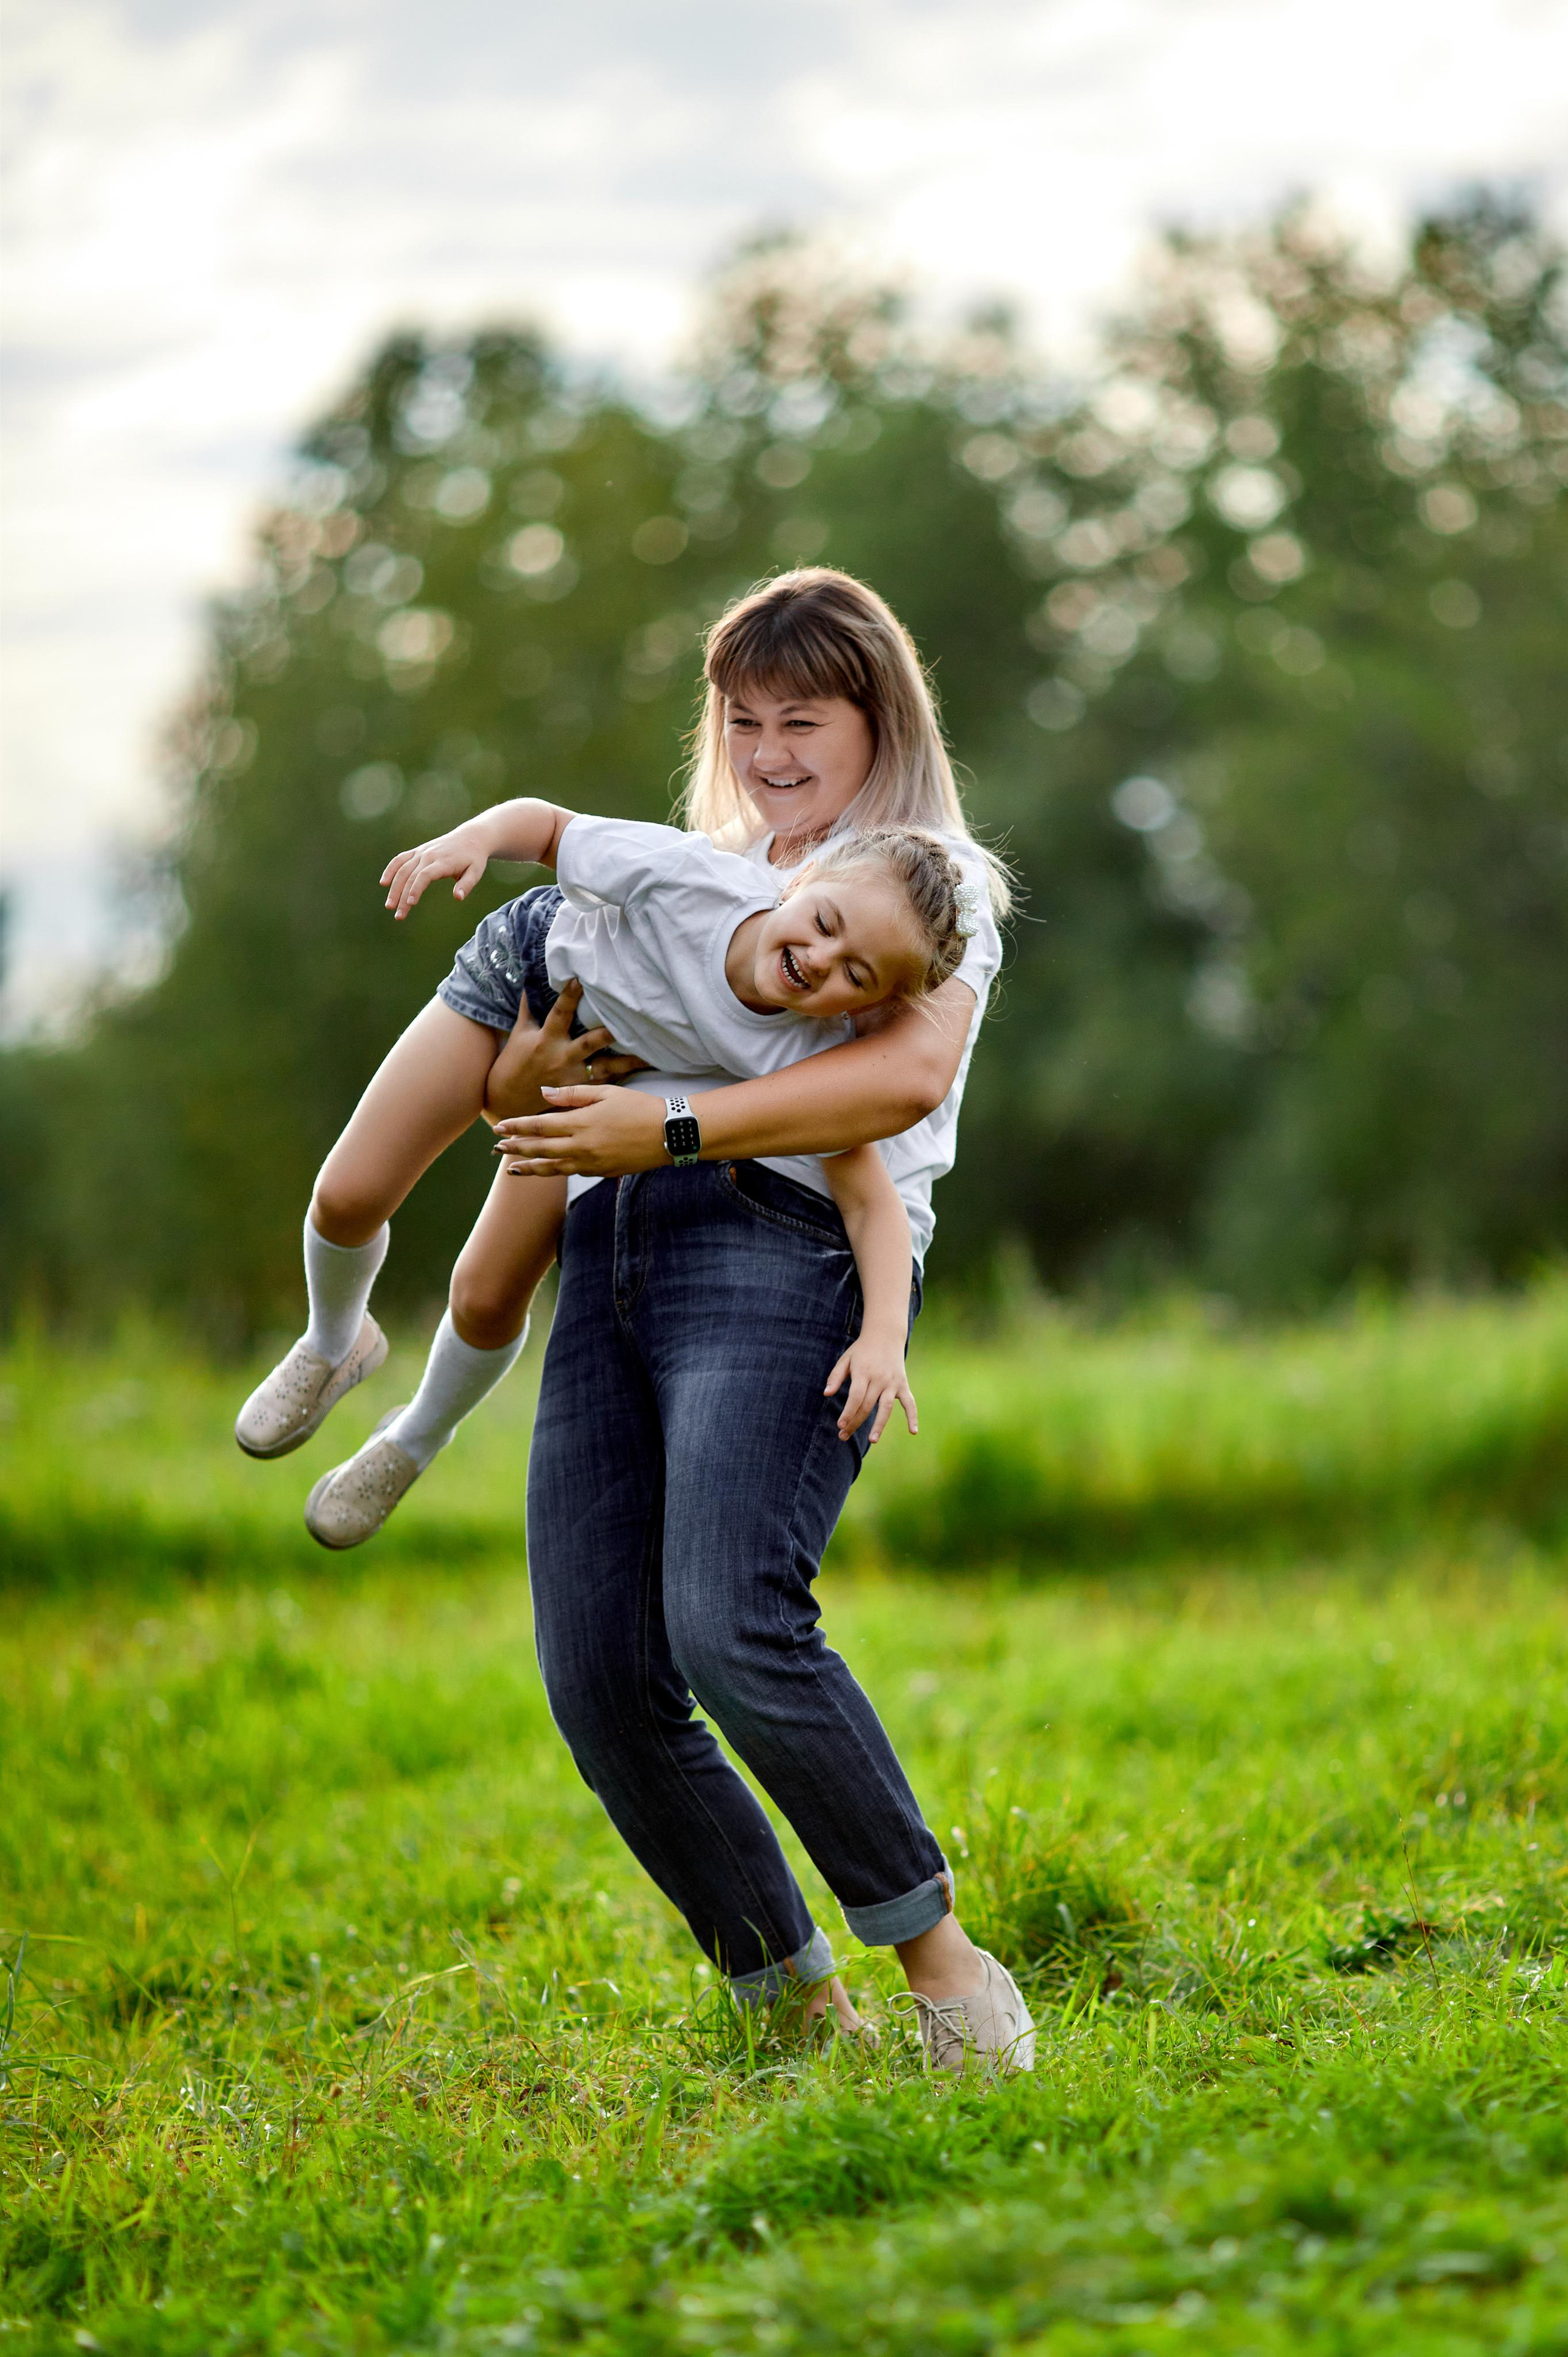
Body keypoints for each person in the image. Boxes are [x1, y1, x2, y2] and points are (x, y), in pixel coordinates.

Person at [490, 570, 1032, 2073]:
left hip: (788, 1240)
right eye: (743, 720)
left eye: (805, 718)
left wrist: (669, 1122)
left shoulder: (930, 886)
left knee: (726, 1616)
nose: (770, 748)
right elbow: (547, 1057)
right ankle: (791, 2011)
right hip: (615, 1236)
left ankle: (944, 1971)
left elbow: (894, 1086)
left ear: (879, 718)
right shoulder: (706, 877)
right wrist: (538, 1078)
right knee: (599, 1675)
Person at [235, 810, 969, 1541]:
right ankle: (334, 1342)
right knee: (348, 1196)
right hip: (526, 976)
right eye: (826, 921)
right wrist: (474, 842)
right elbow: (550, 829)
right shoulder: (689, 880)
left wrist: (880, 1337)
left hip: (610, 1074)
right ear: (799, 880)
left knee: (486, 1293)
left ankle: (415, 1436)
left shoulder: (804, 1052)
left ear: (868, 1009)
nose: (820, 957)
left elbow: (873, 1202)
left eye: (855, 973)